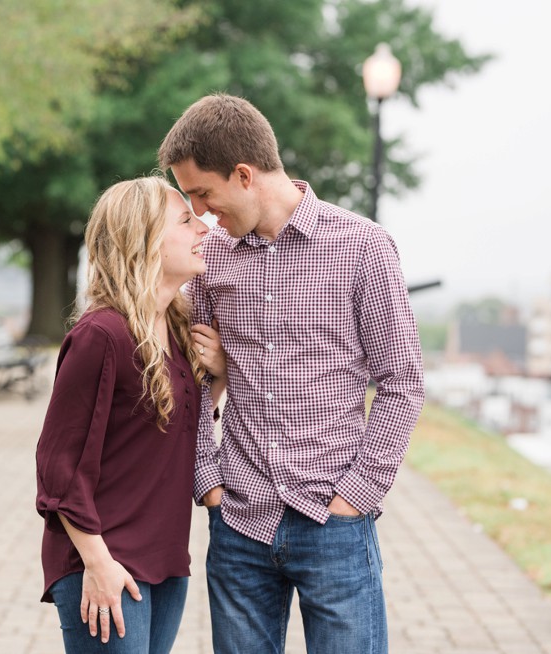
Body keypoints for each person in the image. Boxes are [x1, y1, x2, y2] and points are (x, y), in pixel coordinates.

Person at [157, 93, 425, 654]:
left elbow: (401, 382)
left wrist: (357, 495)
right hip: (240, 521)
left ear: (244, 174)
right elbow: (198, 381)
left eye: (203, 193)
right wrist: (207, 482)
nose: (201, 213)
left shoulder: (363, 248)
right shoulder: (215, 260)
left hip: (335, 522)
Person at [35, 176, 226, 653]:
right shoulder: (102, 335)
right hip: (104, 562)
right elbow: (58, 468)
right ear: (143, 241)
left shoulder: (179, 329)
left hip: (165, 562)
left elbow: (182, 434)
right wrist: (98, 564)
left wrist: (218, 377)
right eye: (185, 219)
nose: (202, 227)